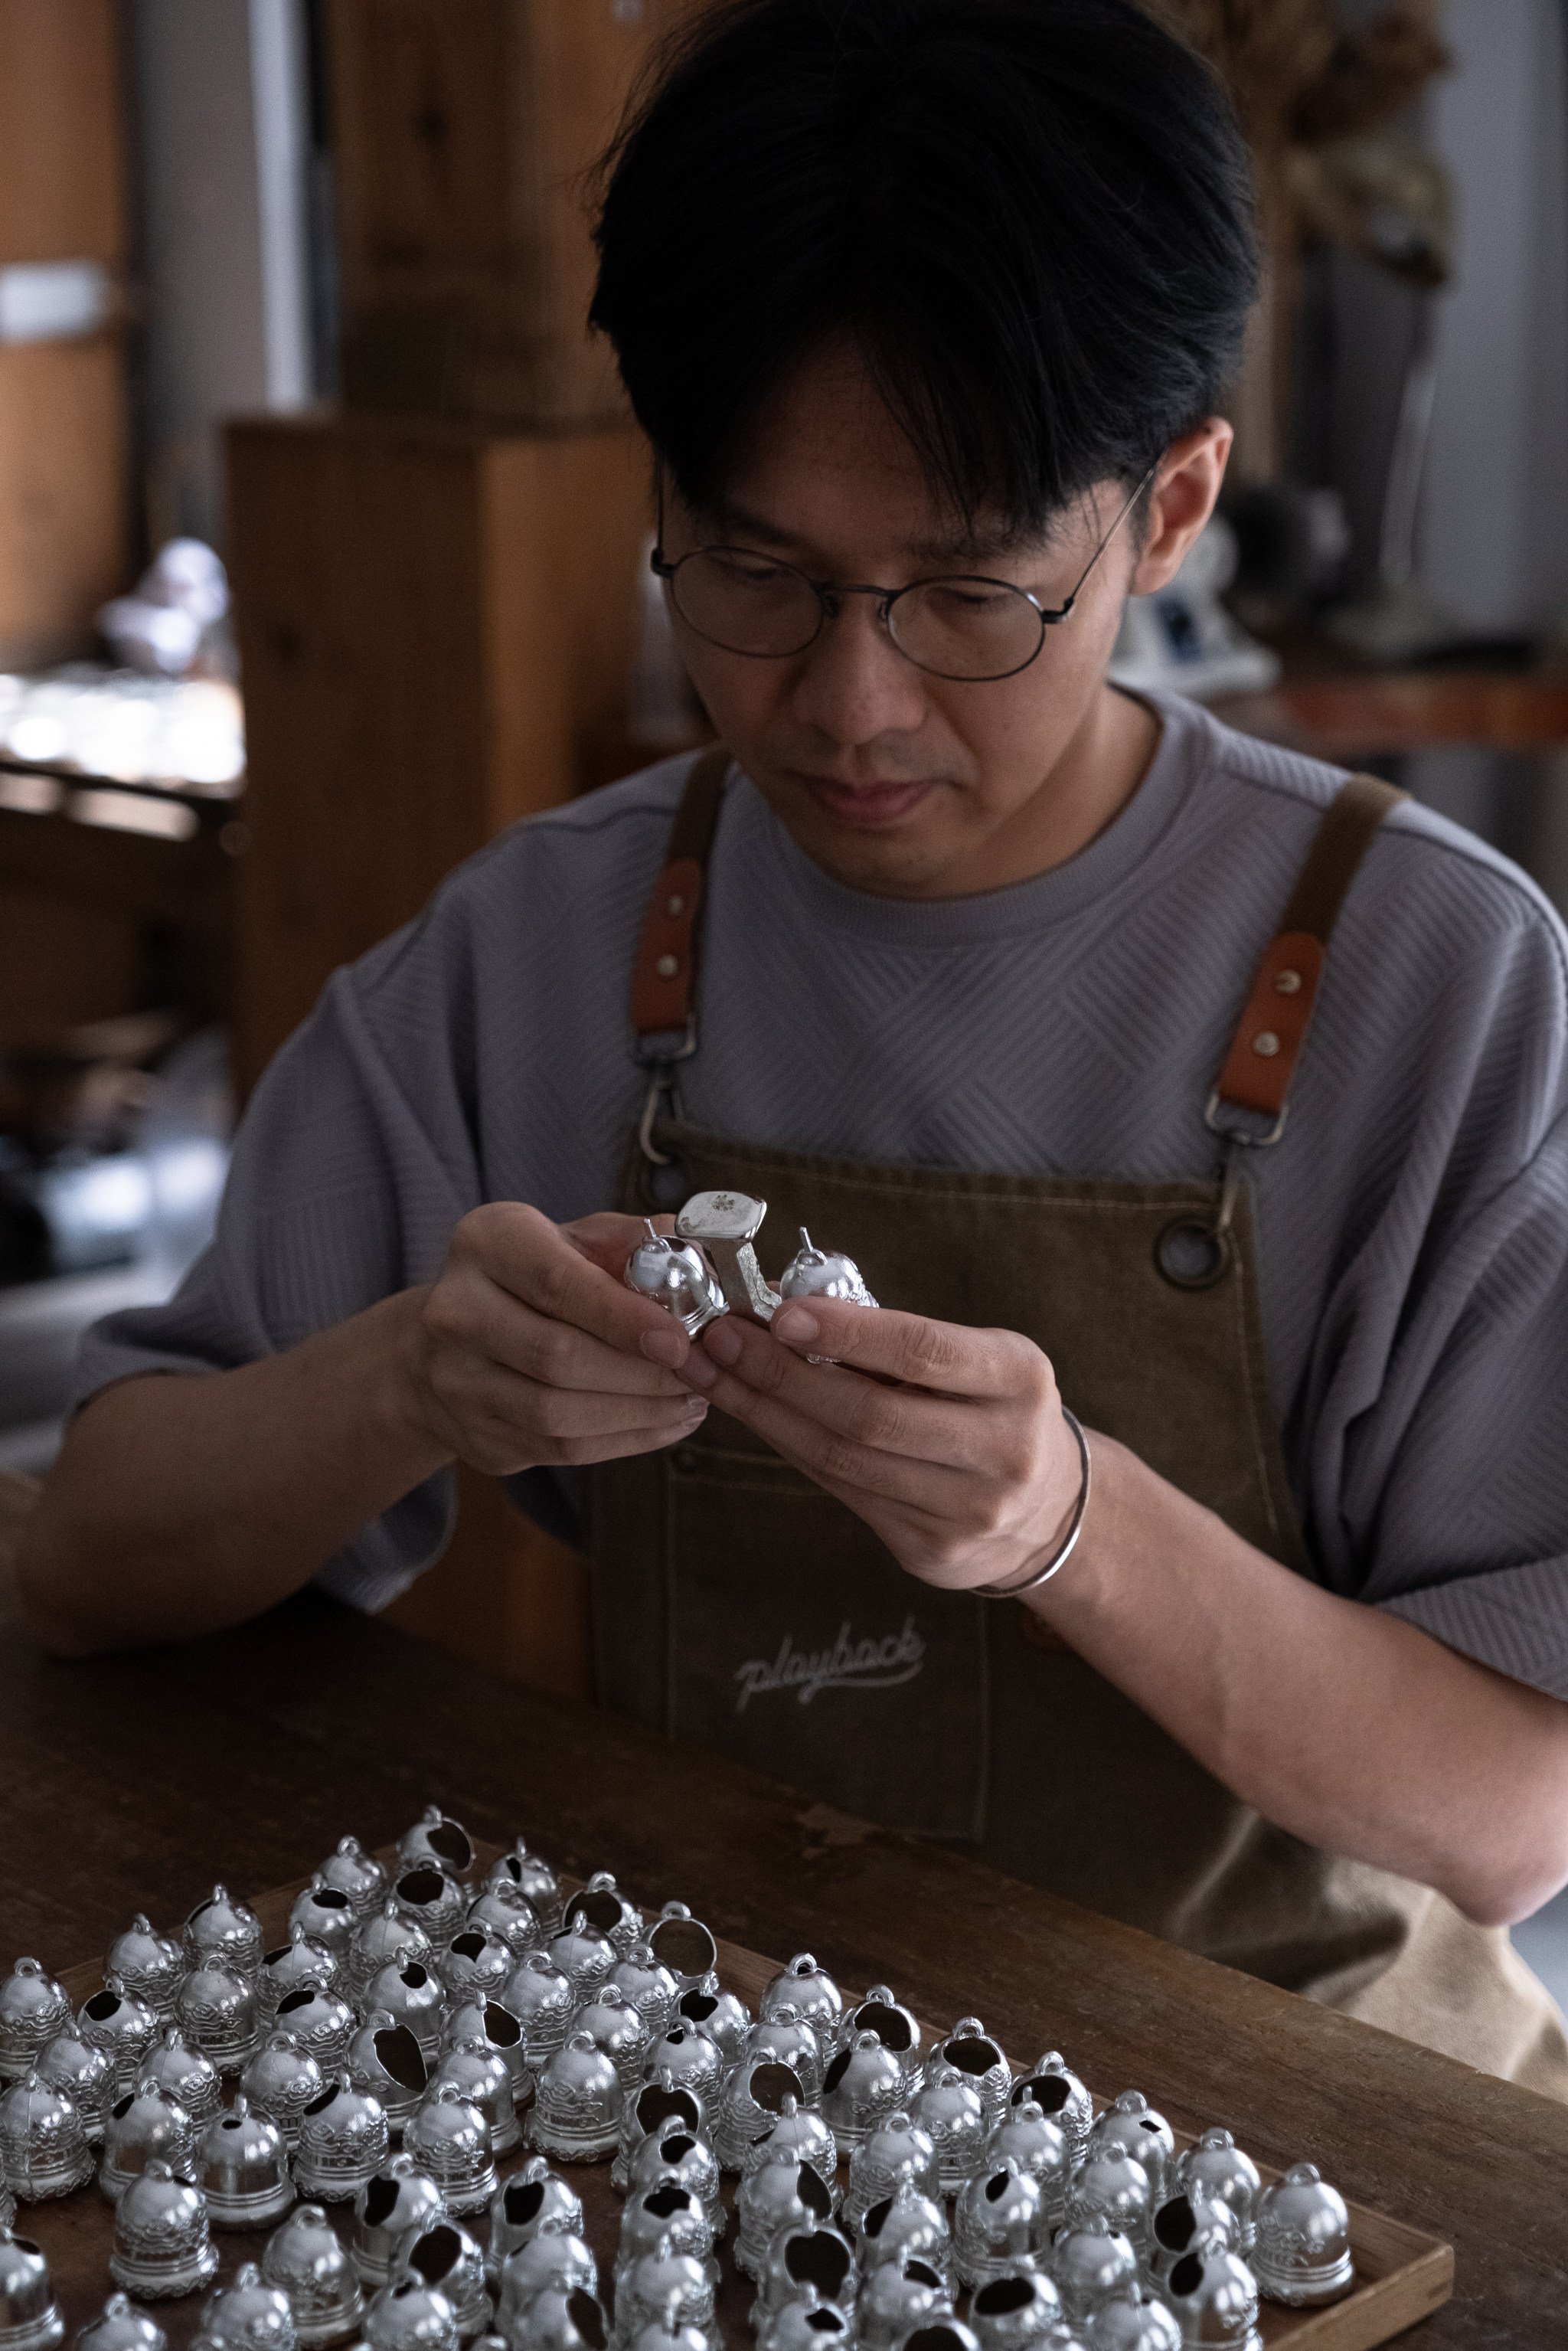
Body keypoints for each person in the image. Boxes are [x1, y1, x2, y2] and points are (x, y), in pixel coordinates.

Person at [18, 0, 1568, 2092]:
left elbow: (1508, 1816)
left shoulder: (1432, 981)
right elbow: (93, 1560)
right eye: (753, 570)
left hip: (1316, 2118)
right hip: (744, 2070)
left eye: (968, 593)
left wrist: (1069, 1528)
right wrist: (407, 1380)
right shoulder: (551, 940)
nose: (850, 704)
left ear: (1174, 507)